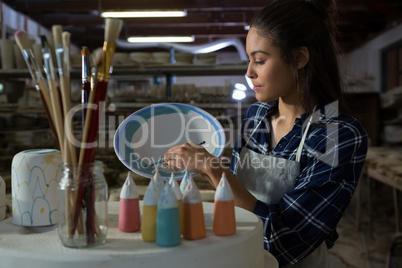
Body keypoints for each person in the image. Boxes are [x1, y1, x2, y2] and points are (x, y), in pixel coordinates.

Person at [163, 0, 368, 267]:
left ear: (299, 58)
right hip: (241, 257)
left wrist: (213, 169)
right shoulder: (257, 115)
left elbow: (284, 242)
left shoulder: (338, 135)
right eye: (249, 60)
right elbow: (236, 200)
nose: (249, 73)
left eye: (259, 60)